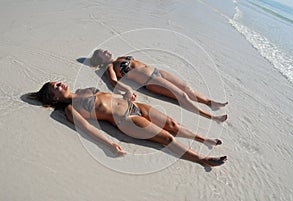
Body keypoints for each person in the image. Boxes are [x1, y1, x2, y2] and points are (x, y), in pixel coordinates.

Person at [30, 81, 227, 167]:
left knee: (173, 125)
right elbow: (87, 129)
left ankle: (205, 139)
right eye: (55, 87)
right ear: (54, 99)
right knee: (166, 137)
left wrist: (126, 94)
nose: (60, 84)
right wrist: (109, 145)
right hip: (126, 120)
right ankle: (202, 159)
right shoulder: (70, 110)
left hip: (134, 106)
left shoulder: (82, 89)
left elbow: (109, 96)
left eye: (57, 82)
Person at [90, 49, 228, 122]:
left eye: (105, 50)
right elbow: (113, 82)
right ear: (100, 60)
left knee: (187, 88)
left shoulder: (121, 57)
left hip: (157, 72)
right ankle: (212, 117)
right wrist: (126, 90)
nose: (106, 51)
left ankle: (210, 103)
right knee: (182, 96)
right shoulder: (110, 67)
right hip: (151, 81)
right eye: (103, 53)